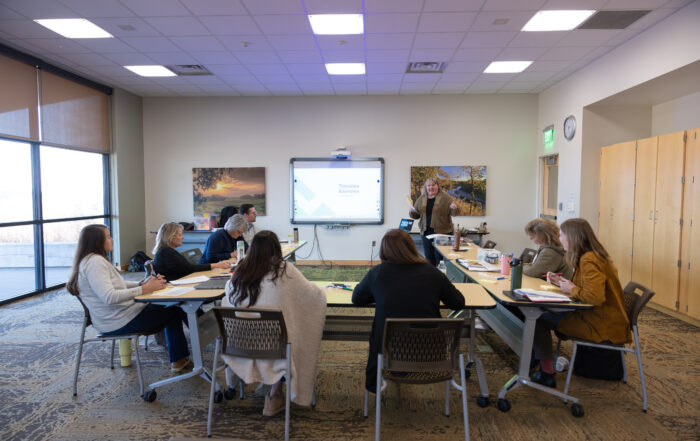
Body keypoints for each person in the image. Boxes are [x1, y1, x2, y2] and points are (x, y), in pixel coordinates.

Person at [222, 230, 326, 417]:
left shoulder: (238, 274)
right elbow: (312, 295)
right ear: (276, 249)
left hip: (239, 346)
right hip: (273, 348)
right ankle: (274, 395)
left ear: (251, 250)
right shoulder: (284, 270)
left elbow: (227, 304)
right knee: (292, 334)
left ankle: (254, 380)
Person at [352, 229, 466, 393]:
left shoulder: (377, 274)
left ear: (384, 250)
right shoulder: (433, 273)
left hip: (390, 354)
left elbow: (357, 299)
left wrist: (379, 295)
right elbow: (458, 303)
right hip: (431, 352)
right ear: (411, 248)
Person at [66, 224, 191, 371]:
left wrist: (140, 283)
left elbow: (117, 283)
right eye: (108, 236)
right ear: (97, 241)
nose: (112, 239)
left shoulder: (91, 260)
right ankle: (179, 359)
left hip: (117, 316)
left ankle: (182, 355)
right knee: (174, 308)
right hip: (117, 320)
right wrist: (144, 289)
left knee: (170, 305)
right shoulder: (95, 263)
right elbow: (109, 297)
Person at [531, 218, 631, 388]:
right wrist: (563, 284)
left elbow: (594, 297)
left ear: (573, 237)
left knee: (537, 319)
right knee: (542, 315)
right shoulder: (592, 255)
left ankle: (545, 373)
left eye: (562, 235)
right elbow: (590, 289)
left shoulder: (588, 260)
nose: (559, 238)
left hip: (599, 324)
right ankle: (535, 364)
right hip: (599, 317)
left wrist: (572, 290)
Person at [152, 222, 231, 281]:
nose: (182, 237)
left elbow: (187, 268)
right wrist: (216, 265)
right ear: (171, 238)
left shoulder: (167, 251)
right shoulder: (165, 252)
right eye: (180, 235)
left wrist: (216, 265)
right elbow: (189, 269)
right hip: (176, 286)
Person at [408, 177, 458, 266]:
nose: (431, 187)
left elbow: (454, 213)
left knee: (440, 258)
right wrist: (412, 212)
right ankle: (431, 277)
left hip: (442, 233)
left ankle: (440, 278)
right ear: (426, 187)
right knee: (429, 257)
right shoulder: (422, 198)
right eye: (428, 185)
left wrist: (454, 208)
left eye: (433, 185)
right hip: (426, 232)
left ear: (438, 186)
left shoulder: (445, 197)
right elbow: (416, 215)